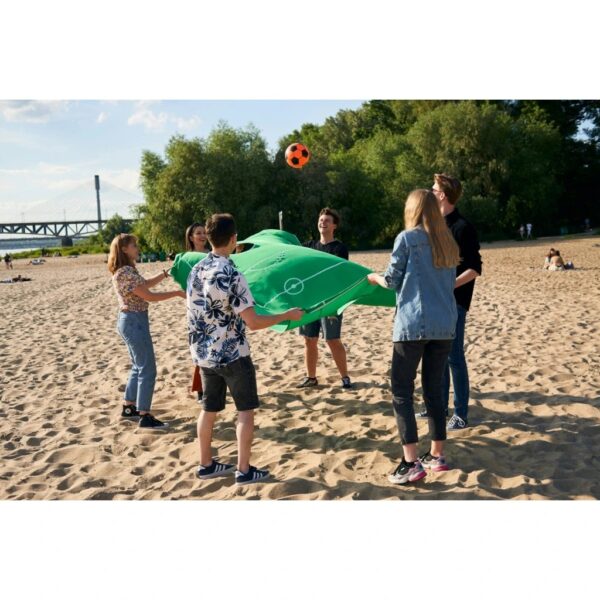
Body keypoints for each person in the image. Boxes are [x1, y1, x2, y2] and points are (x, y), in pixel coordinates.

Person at [188, 213, 303, 485]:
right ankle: (243, 469)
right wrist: (286, 315)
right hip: (233, 354)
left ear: (209, 237)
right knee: (245, 411)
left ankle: (205, 464)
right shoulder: (231, 273)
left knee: (209, 409)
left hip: (204, 354)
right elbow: (253, 322)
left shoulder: (197, 269)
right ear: (233, 239)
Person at [368, 189, 460, 484]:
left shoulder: (407, 238)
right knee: (434, 390)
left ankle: (410, 462)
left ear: (413, 209)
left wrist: (373, 278)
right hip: (445, 324)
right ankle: (437, 455)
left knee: (402, 391)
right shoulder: (447, 240)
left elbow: (392, 280)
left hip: (414, 325)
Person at [421, 173, 482, 431]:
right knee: (437, 356)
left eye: (433, 189)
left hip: (454, 302)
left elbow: (475, 268)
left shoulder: (462, 227)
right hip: (432, 301)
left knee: (454, 357)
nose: (430, 193)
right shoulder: (433, 225)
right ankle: (440, 408)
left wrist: (448, 287)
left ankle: (460, 413)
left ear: (442, 195)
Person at [109, 233, 186, 430]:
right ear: (124, 249)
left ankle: (129, 407)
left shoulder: (127, 270)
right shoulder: (125, 272)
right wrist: (177, 293)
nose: (137, 248)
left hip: (132, 321)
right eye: (134, 245)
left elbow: (145, 285)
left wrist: (165, 274)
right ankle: (145, 415)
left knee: (138, 366)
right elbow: (149, 296)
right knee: (147, 369)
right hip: (134, 322)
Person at [297, 208, 353, 390]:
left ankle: (345, 377)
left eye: (327, 220)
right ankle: (311, 377)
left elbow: (336, 274)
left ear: (334, 225)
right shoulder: (308, 246)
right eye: (321, 220)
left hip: (330, 301)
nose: (323, 223)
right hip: (309, 302)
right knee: (309, 339)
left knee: (332, 339)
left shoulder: (339, 248)